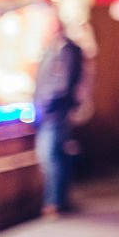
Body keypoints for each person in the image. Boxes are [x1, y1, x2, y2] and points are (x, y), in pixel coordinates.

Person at [33, 13, 86, 216]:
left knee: (50, 155)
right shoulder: (50, 49)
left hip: (56, 111)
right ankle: (59, 199)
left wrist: (47, 104)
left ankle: (54, 201)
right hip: (49, 109)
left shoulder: (67, 50)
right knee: (57, 154)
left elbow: (63, 84)